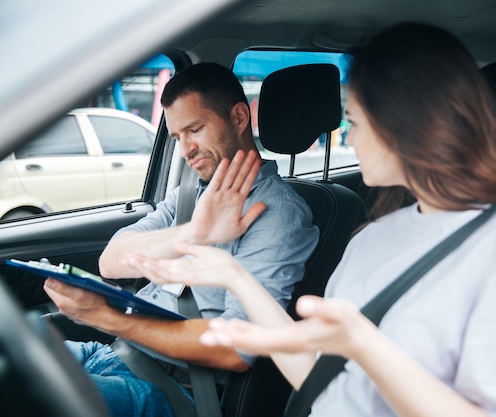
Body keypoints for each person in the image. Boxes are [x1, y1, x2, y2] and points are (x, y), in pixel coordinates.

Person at [128, 23, 496, 417]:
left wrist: (367, 347)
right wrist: (235, 279)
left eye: (355, 119)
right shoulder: (372, 238)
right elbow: (322, 381)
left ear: (407, 122)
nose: (349, 134)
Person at [43, 62, 319, 417]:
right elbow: (111, 261)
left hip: (175, 390)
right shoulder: (190, 194)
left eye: (195, 129)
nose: (185, 149)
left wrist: (107, 318)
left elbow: (234, 350)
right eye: (176, 137)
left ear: (238, 117)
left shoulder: (277, 213)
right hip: (115, 352)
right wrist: (195, 232)